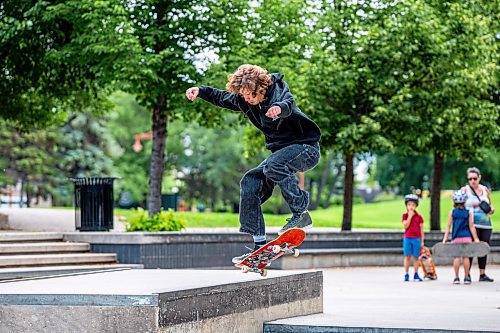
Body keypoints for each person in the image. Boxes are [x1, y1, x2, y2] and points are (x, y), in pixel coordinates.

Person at [185, 64, 321, 263]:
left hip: (306, 148)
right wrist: (201, 91)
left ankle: (300, 213)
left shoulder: (277, 89)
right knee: (250, 182)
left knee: (273, 165)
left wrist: (279, 109)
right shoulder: (244, 100)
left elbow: (288, 102)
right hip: (281, 154)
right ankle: (259, 244)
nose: (247, 99)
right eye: (244, 95)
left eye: (250, 95)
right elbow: (222, 97)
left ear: (261, 88)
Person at [461, 167, 495, 282]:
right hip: (471, 224)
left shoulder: (485, 190)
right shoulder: (465, 190)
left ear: (479, 177)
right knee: (470, 248)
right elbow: (458, 205)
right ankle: (467, 273)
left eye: (475, 178)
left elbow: (490, 204)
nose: (472, 181)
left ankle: (482, 273)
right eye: (470, 179)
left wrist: (491, 209)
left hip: (485, 224)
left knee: (483, 248)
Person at [442, 190, 480, 285]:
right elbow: (471, 226)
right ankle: (467, 277)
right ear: (465, 201)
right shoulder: (469, 212)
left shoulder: (452, 212)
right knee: (466, 257)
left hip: (456, 237)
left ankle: (456, 278)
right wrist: (476, 238)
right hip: (467, 237)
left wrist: (445, 238)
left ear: (454, 202)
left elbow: (448, 226)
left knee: (457, 257)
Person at [401, 194, 424, 282]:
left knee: (416, 257)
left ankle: (416, 274)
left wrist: (422, 241)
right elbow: (405, 226)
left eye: (413, 205)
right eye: (409, 205)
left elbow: (422, 230)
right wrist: (410, 216)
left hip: (417, 239)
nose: (411, 207)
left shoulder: (419, 217)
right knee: (407, 256)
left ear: (416, 206)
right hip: (408, 238)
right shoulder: (404, 215)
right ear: (406, 205)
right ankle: (406, 274)